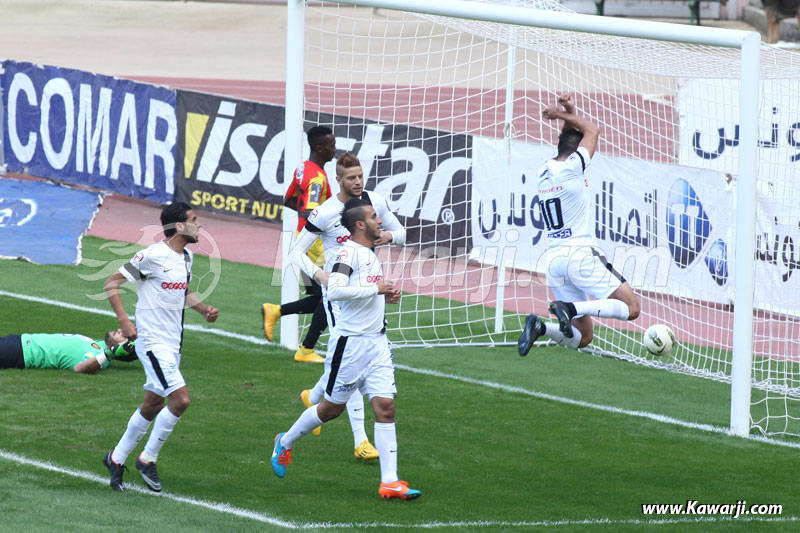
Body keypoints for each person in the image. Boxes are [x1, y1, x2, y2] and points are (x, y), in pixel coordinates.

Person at [271, 199, 421, 501]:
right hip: (351, 346)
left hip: (377, 343)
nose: (381, 221)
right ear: (360, 225)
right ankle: (284, 442)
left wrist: (383, 298)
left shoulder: (368, 253)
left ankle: (390, 482)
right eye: (374, 217)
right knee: (331, 409)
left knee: (386, 408)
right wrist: (375, 290)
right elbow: (337, 289)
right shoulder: (346, 254)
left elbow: (361, 292)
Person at [288, 152, 406, 460]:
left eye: (360, 176)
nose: (357, 182)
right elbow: (296, 252)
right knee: (352, 353)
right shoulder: (326, 212)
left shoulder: (374, 204)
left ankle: (312, 397)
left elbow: (402, 232)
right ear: (337, 180)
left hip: (369, 290)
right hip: (338, 293)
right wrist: (322, 276)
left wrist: (388, 237)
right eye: (350, 178)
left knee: (354, 359)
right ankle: (360, 439)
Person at [101, 202, 219, 493]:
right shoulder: (152, 256)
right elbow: (111, 283)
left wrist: (203, 309)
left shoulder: (187, 258)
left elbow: (184, 290)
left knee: (153, 404)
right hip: (152, 343)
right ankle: (147, 458)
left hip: (173, 344)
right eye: (194, 220)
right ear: (179, 226)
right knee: (181, 400)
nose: (199, 225)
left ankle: (115, 459)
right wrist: (125, 321)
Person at [518, 92, 640, 356]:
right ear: (577, 153)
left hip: (554, 261)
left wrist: (569, 110)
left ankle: (541, 327)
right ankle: (572, 308)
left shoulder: (545, 170)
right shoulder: (574, 168)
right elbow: (593, 130)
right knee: (631, 308)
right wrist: (561, 114)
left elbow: (570, 140)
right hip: (579, 255)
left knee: (584, 337)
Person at [261, 126, 335, 364]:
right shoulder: (317, 178)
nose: (335, 149)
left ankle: (275, 311)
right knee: (330, 296)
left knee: (317, 297)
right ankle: (306, 349)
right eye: (332, 146)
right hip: (316, 244)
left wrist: (305, 218)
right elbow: (312, 210)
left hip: (302, 237)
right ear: (320, 148)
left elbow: (289, 200)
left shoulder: (303, 168)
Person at [0, 330, 135, 373]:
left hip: (23, 352)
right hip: (22, 340)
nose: (120, 330)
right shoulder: (98, 345)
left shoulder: (100, 359)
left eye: (123, 335)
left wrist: (110, 353)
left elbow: (79, 368)